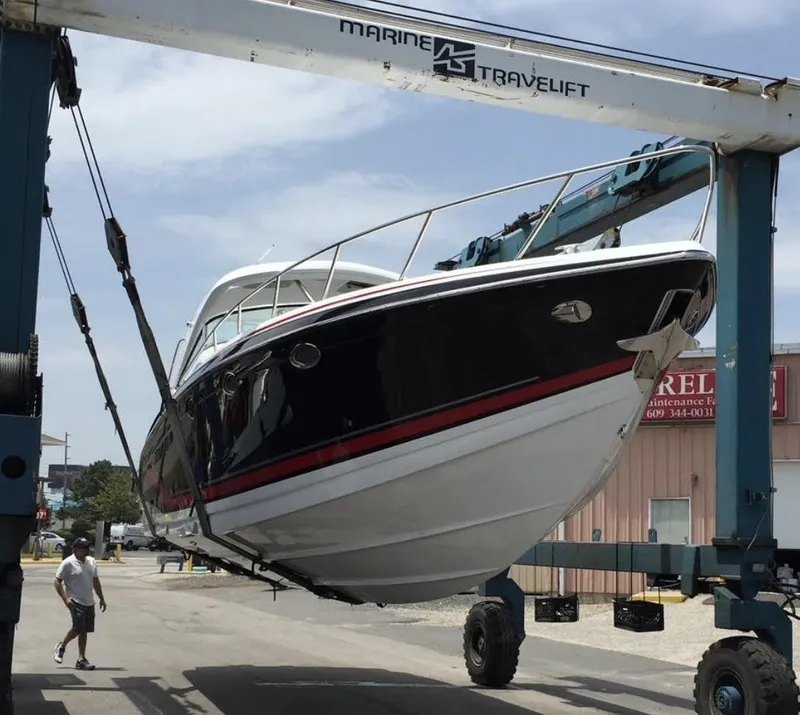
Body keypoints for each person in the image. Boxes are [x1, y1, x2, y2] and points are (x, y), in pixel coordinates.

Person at [52, 537, 107, 670]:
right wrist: (65, 598)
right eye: (83, 547)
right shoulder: (68, 563)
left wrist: (101, 598)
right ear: (76, 549)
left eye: (87, 547)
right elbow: (57, 581)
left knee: (84, 630)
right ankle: (62, 646)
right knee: (78, 628)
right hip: (75, 601)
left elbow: (95, 581)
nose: (87, 550)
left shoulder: (91, 562)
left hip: (89, 601)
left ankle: (81, 659)